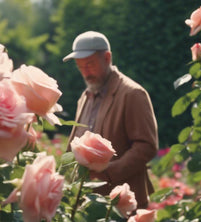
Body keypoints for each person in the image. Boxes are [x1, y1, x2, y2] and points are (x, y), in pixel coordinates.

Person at [63, 31, 158, 209]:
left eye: (90, 64)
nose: (85, 72)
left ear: (107, 58)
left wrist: (106, 174)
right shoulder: (85, 97)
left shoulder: (132, 94)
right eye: (80, 66)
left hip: (123, 205)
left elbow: (146, 146)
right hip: (88, 204)